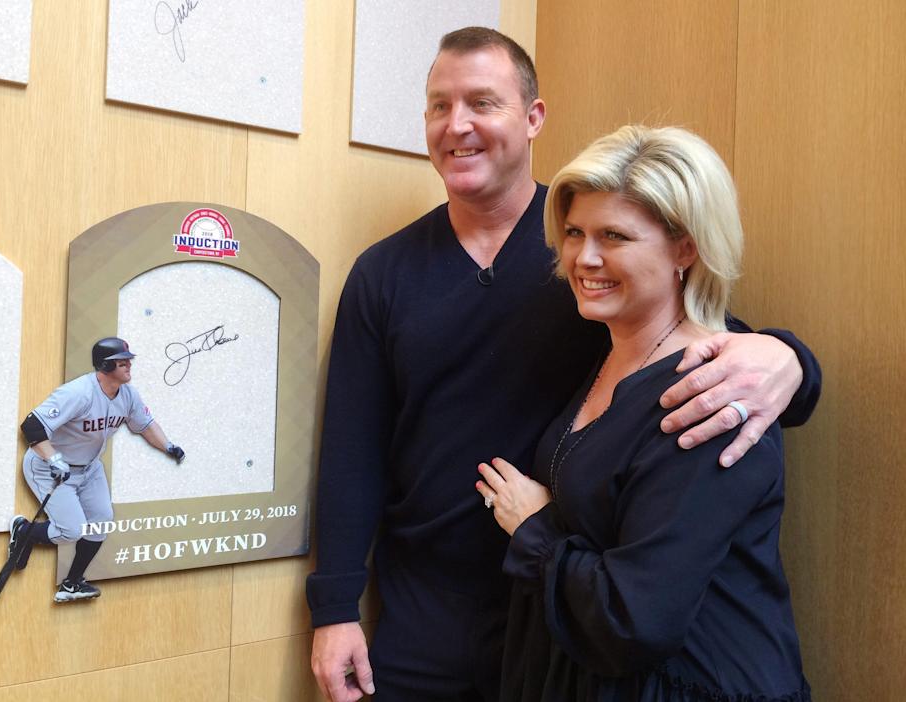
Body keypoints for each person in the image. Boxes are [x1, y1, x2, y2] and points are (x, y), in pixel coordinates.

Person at [308, 27, 820, 702]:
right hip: (429, 617)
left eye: (481, 102)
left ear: (532, 118)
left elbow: (712, 354)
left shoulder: (600, 253)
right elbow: (353, 451)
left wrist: (792, 360)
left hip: (569, 617)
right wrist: (336, 607)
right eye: (438, 105)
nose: (456, 125)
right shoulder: (386, 273)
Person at [476, 125, 810, 701]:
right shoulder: (614, 347)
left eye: (615, 236)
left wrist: (535, 529)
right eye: (575, 232)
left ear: (686, 248)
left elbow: (636, 620)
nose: (585, 257)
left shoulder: (710, 396)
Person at [10, 336, 185, 603]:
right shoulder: (78, 393)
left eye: (128, 359)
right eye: (121, 361)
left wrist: (168, 446)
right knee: (71, 530)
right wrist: (54, 458)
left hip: (89, 468)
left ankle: (72, 584)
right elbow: (32, 426)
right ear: (105, 365)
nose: (128, 364)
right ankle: (23, 531)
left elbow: (146, 424)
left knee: (100, 522)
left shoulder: (127, 394)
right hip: (49, 468)